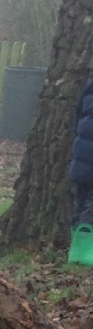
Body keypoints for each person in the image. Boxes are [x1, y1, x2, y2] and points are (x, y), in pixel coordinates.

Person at [72, 75, 93, 226]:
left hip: (82, 159)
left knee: (81, 203)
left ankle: (77, 234)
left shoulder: (89, 87)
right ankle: (83, 239)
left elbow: (77, 117)